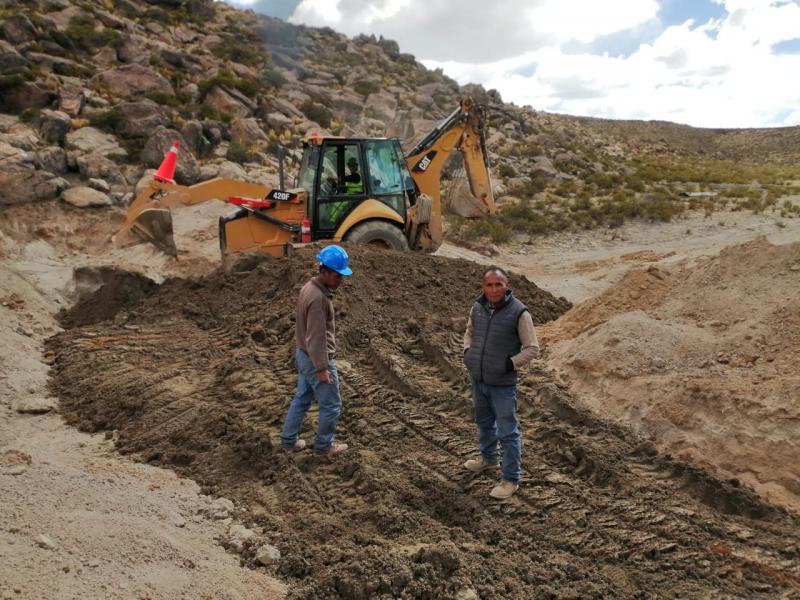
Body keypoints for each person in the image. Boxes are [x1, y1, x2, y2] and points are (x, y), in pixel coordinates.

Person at [462, 266, 540, 499]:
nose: (494, 289)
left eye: (499, 284)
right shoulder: (477, 308)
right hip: (479, 378)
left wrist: (509, 364)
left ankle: (510, 479)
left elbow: (532, 348)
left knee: (508, 432)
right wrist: (468, 352)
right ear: (483, 287)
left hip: (502, 384)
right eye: (489, 285)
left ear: (506, 285)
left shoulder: (519, 313)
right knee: (484, 422)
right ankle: (488, 459)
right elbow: (469, 332)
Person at [279, 245, 353, 456]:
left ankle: (288, 441)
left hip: (303, 354)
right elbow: (317, 338)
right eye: (338, 275)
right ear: (325, 271)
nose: (341, 280)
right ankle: (323, 446)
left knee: (302, 399)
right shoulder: (319, 299)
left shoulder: (308, 288)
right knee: (331, 404)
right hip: (315, 359)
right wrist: (322, 367)